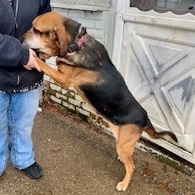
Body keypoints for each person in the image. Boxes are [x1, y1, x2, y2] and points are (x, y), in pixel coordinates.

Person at [0, 0, 51, 179]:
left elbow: (48, 22)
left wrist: (49, 48)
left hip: (29, 76)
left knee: (23, 126)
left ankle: (23, 159)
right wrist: (20, 54)